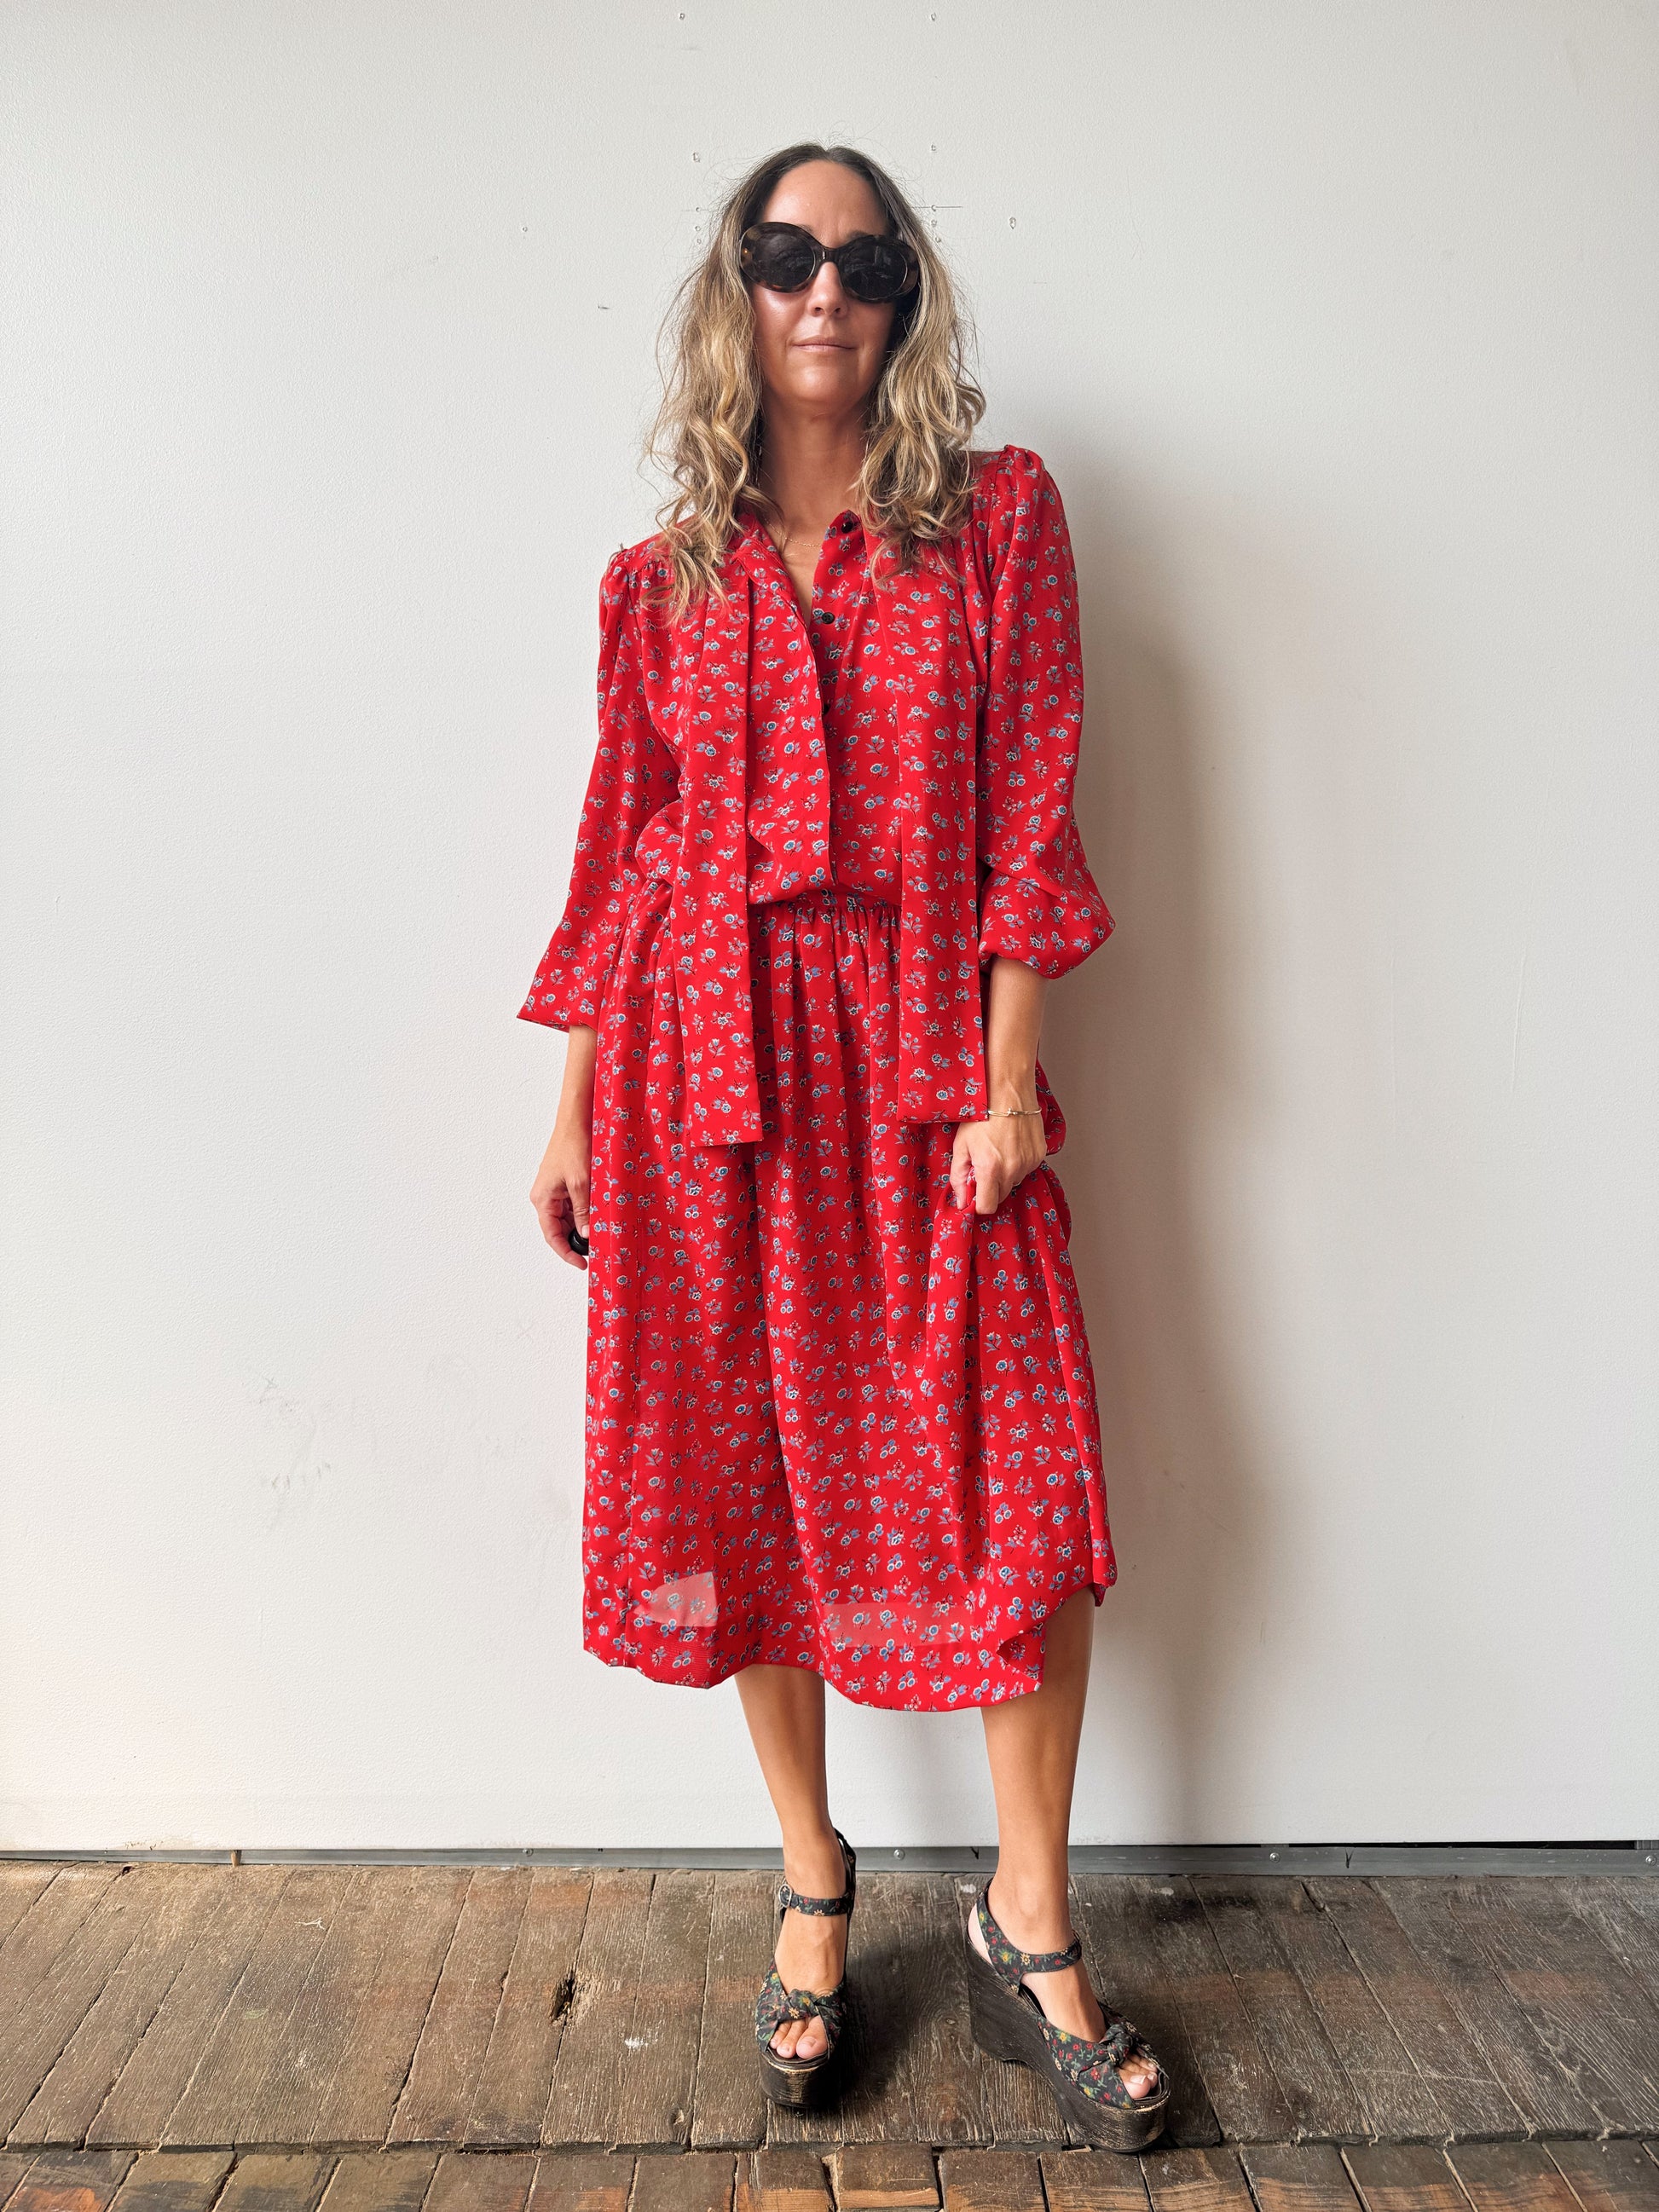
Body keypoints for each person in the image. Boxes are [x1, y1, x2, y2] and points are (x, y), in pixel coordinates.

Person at [518, 141, 1167, 2151]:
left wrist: (1005, 1073)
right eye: (784, 253)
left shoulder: (995, 521)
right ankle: (814, 1875)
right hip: (699, 1062)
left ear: (906, 297)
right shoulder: (660, 578)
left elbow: (1028, 808)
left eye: (864, 260)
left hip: (918, 1051)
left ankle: (1028, 1911)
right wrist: (570, 1104)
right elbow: (627, 846)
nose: (824, 289)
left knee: (1019, 1469)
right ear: (737, 287)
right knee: (745, 1465)